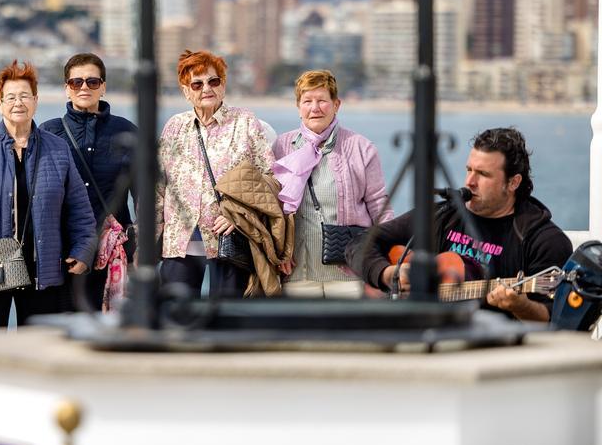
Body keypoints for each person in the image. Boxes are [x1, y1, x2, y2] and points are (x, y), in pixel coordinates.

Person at [347, 127, 572, 321]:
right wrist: (387, 274)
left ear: (513, 182)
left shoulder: (544, 241)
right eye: (469, 170)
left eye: (483, 174)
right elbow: (358, 244)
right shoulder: (443, 214)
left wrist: (521, 306)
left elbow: (556, 317)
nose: (470, 182)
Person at [0, 60, 96, 327]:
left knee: (39, 345)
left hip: (43, 266)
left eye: (25, 96)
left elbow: (79, 209)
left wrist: (83, 250)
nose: (18, 103)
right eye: (10, 97)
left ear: (35, 101)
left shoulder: (57, 149)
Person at [156, 50, 275, 298]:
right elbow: (158, 187)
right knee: (174, 311)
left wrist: (238, 214)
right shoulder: (175, 127)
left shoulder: (245, 122)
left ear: (223, 83)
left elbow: (269, 178)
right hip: (179, 241)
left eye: (213, 81)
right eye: (197, 84)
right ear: (185, 91)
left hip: (230, 238)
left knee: (227, 312)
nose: (206, 89)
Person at [271, 70, 392, 298]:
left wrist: (385, 261)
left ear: (336, 105)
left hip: (349, 273)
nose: (315, 108)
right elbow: (271, 207)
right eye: (307, 101)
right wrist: (279, 251)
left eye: (322, 100)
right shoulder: (282, 147)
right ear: (298, 106)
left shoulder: (361, 147)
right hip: (297, 272)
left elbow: (379, 205)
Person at [38, 53, 137, 310]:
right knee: (57, 324)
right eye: (76, 82)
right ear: (67, 88)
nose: (84, 87)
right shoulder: (48, 132)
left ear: (103, 87)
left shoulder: (126, 132)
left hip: (113, 248)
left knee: (109, 324)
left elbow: (144, 195)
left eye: (92, 82)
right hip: (60, 250)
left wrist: (142, 244)